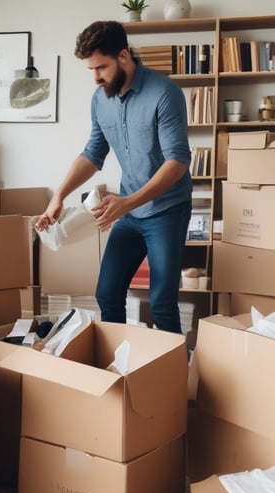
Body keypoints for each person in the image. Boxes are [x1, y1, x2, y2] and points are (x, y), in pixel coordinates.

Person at [34, 20, 192, 334]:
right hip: (130, 211)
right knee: (107, 292)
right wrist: (58, 197)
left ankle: (170, 374)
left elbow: (178, 161)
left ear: (123, 56)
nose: (96, 78)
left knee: (161, 301)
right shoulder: (101, 100)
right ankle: (116, 365)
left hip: (166, 210)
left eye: (101, 68)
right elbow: (93, 152)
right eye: (91, 70)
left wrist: (126, 202)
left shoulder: (164, 93)